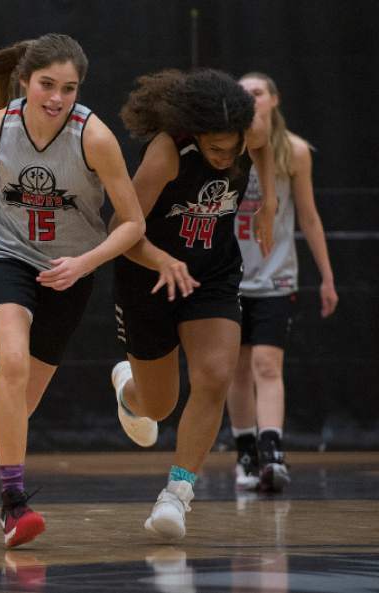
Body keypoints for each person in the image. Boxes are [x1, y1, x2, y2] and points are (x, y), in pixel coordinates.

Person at [0, 33, 145, 547]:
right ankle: (13, 504)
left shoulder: (94, 136)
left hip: (71, 268)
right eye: (47, 84)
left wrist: (84, 263)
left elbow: (132, 223)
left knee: (15, 405)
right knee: (15, 362)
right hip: (6, 255)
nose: (57, 97)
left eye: (69, 88)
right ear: (24, 81)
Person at [110, 68, 279, 539]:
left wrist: (264, 203)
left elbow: (263, 147)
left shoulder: (252, 133)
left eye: (233, 148)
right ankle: (127, 390)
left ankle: (177, 495)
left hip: (212, 273)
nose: (226, 160)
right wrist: (160, 258)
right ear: (195, 135)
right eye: (215, 150)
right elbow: (119, 231)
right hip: (149, 274)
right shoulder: (166, 153)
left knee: (214, 375)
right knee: (158, 407)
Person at [226, 72, 338, 493]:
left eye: (256, 92)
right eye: (242, 93)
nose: (249, 98)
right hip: (231, 278)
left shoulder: (294, 151)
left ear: (273, 99)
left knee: (267, 363)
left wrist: (326, 275)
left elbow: (308, 216)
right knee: (236, 369)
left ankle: (272, 449)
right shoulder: (226, 147)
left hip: (276, 275)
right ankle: (245, 451)